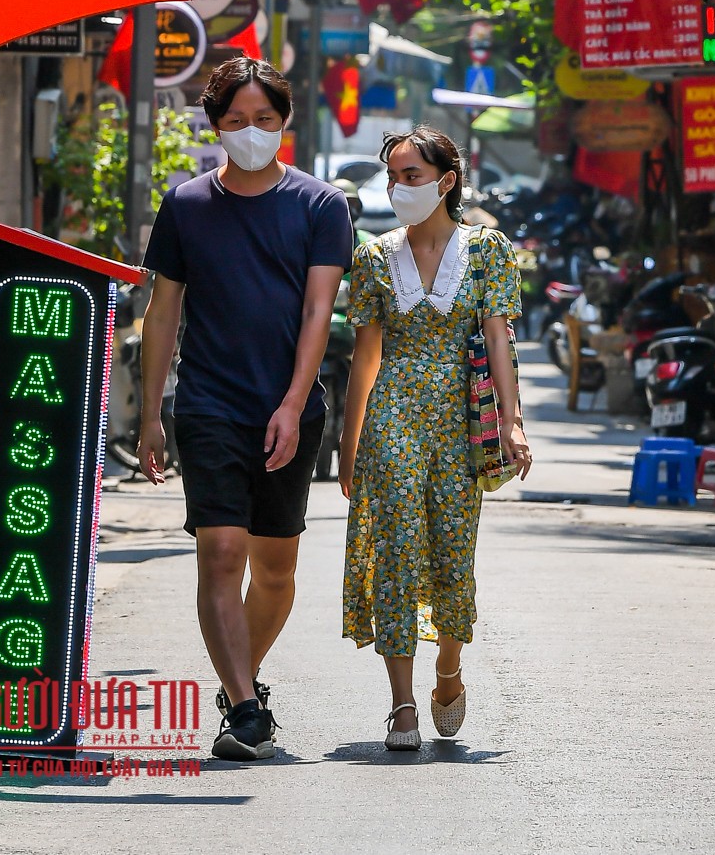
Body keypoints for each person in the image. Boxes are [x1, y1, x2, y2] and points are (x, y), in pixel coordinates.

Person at [137, 56, 353, 762]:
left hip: (291, 411)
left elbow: (319, 309)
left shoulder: (320, 206)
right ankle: (245, 708)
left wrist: (294, 403)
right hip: (208, 407)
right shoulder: (187, 206)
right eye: (236, 121)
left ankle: (242, 682)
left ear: (284, 123)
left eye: (264, 119)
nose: (251, 131)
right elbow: (163, 314)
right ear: (216, 126)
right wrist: (149, 416)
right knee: (222, 552)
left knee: (277, 571)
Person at [339, 127, 532, 752]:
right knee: (395, 547)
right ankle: (401, 705)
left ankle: (447, 672)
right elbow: (363, 357)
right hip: (392, 412)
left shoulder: (488, 251)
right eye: (392, 176)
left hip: (460, 418)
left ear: (445, 181)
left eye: (411, 176)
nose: (398, 187)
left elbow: (500, 339)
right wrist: (350, 444)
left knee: (453, 544)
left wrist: (514, 420)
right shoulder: (372, 257)